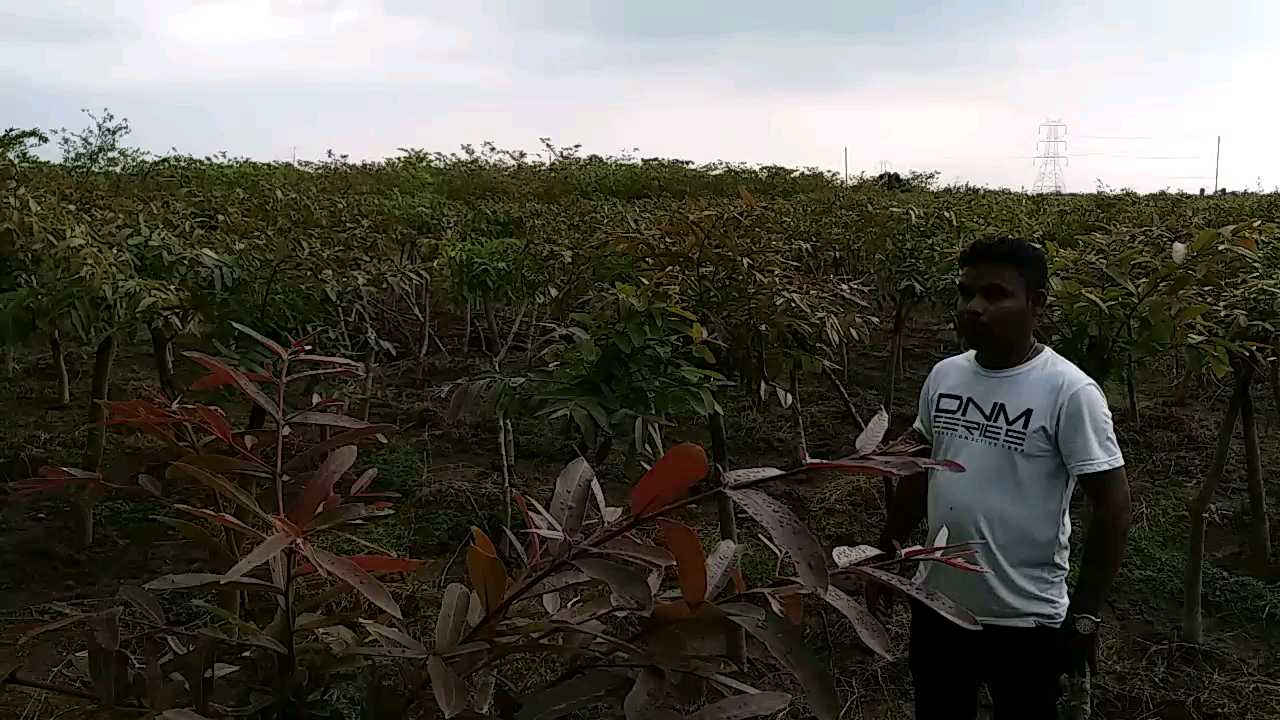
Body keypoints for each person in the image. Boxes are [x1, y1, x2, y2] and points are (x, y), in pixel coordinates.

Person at [867, 237, 1132, 719]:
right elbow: (917, 469)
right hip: (937, 605)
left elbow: (1112, 504)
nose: (973, 308)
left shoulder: (1069, 391)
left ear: (1037, 304)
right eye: (966, 293)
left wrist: (1087, 616)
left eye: (994, 295)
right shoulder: (945, 375)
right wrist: (888, 551)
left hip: (1025, 619)